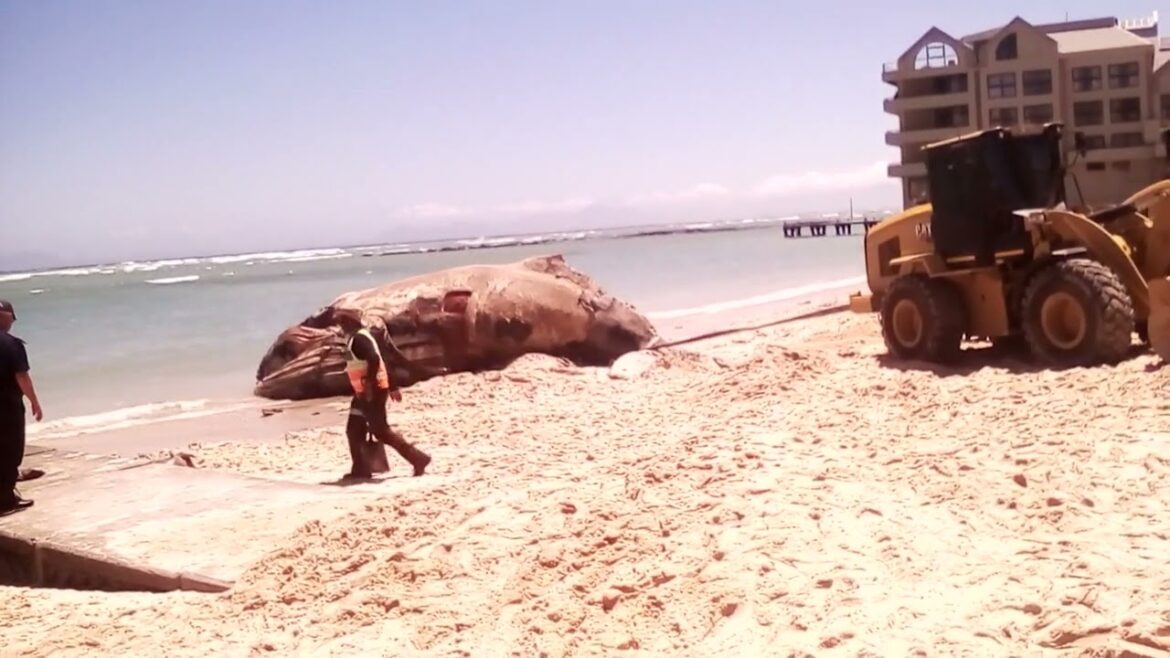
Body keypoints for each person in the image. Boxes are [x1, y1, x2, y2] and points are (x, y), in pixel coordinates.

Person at [334, 306, 431, 479]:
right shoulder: (357, 338)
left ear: (349, 322)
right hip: (364, 392)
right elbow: (378, 361)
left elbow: (374, 359)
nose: (339, 326)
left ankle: (418, 458)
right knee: (354, 429)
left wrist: (371, 386)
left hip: (372, 391)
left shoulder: (359, 339)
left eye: (341, 322)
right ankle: (360, 469)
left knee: (380, 430)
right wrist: (390, 386)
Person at [0, 300, 41, 513]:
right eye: (11, 319)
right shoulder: (11, 344)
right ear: (5, 317)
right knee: (9, 452)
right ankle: (5, 501)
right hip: (6, 407)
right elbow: (22, 376)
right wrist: (34, 401)